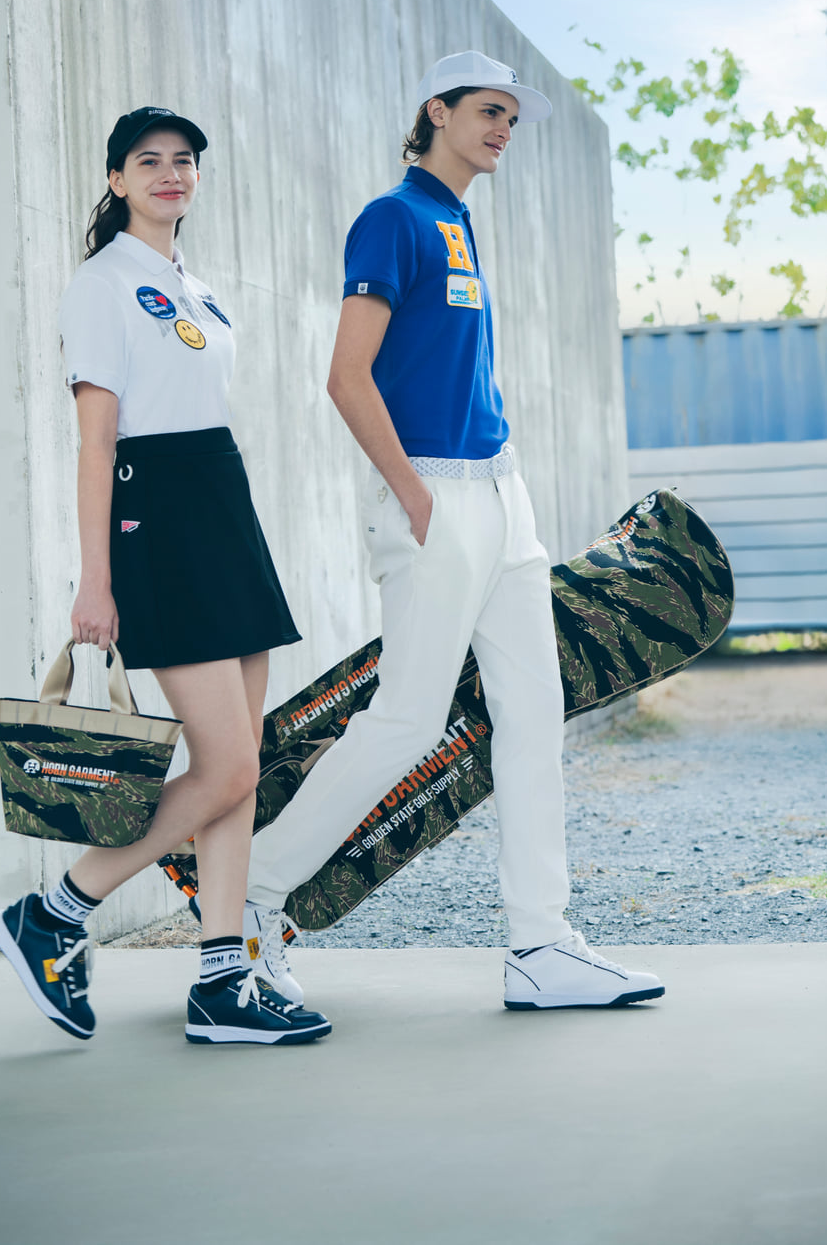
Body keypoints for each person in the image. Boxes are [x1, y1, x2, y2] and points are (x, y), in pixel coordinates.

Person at [243, 52, 665, 1011]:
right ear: (435, 110)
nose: (504, 130)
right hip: (432, 494)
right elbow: (347, 375)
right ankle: (253, 898)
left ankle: (541, 946)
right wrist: (413, 493)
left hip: (501, 495)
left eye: (512, 117)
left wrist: (500, 486)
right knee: (407, 721)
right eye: (488, 110)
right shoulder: (393, 218)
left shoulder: (459, 221)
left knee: (534, 714)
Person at [0, 106, 331, 1047]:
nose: (171, 173)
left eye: (184, 161)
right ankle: (55, 912)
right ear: (117, 180)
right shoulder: (102, 285)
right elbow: (96, 444)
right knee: (224, 765)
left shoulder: (197, 289)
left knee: (240, 769)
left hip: (221, 510)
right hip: (158, 523)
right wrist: (94, 579)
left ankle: (224, 979)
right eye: (150, 161)